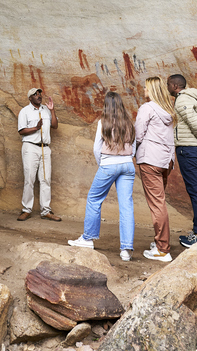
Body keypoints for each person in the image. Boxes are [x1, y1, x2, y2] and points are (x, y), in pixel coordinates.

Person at [68, 91, 136, 261]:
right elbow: (134, 146)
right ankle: (126, 250)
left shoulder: (103, 122)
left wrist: (102, 164)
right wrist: (126, 158)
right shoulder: (129, 122)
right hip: (127, 164)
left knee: (94, 199)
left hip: (108, 164)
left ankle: (88, 238)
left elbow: (96, 148)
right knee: (126, 205)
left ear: (106, 105)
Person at [167, 73, 197, 248]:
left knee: (195, 190)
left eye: (168, 85)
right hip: (193, 147)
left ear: (174, 86)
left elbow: (194, 122)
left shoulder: (182, 100)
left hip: (187, 148)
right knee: (195, 190)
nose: (167, 88)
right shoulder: (190, 98)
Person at [135, 76, 176, 262]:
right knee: (160, 202)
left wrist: (133, 152)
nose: (144, 90)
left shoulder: (147, 108)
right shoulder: (168, 110)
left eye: (145, 87)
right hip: (165, 160)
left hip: (150, 159)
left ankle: (162, 249)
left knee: (157, 204)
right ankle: (160, 242)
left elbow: (138, 133)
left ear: (151, 89)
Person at [17, 87, 61, 221]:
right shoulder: (24, 111)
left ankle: (46, 211)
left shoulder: (46, 110)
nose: (38, 96)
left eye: (39, 94)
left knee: (45, 179)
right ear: (30, 98)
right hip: (30, 147)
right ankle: (26, 209)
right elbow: (21, 131)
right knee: (29, 179)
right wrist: (36, 128)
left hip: (45, 148)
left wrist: (52, 110)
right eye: (35, 94)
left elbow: (55, 125)